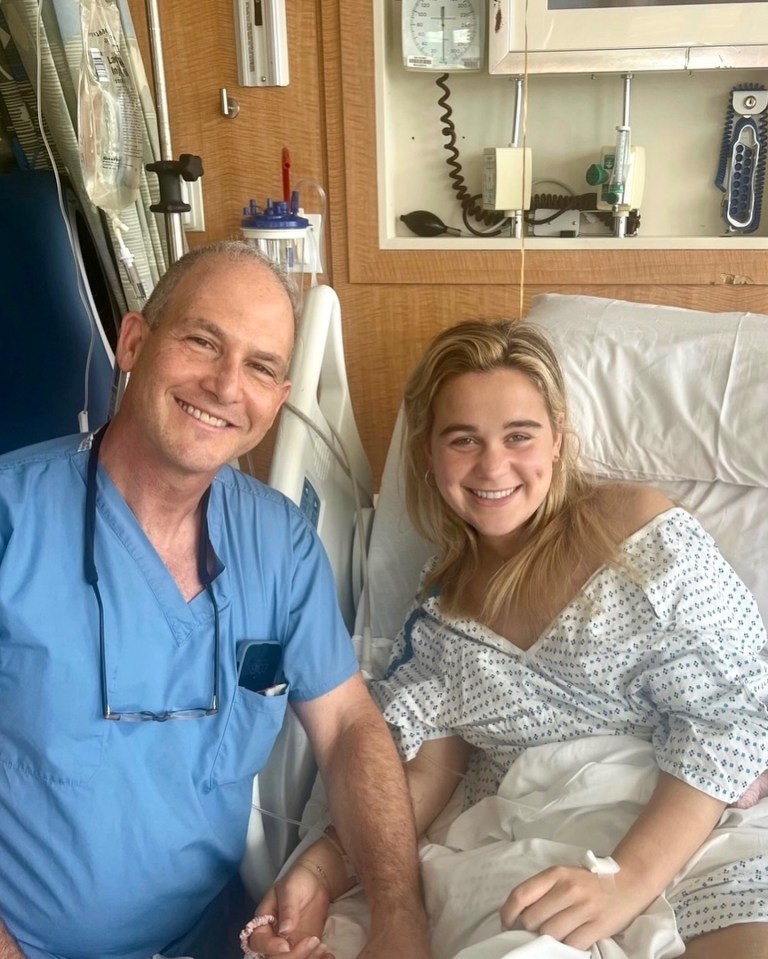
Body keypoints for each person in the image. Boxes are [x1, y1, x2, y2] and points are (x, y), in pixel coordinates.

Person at [249, 319, 768, 959]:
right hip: (536, 842)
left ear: (556, 438)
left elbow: (735, 714)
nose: (493, 466)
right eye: (463, 439)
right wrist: (321, 870)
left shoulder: (639, 534)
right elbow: (428, 772)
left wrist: (626, 883)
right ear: (428, 454)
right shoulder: (441, 616)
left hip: (696, 821)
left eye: (518, 435)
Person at [0, 241, 431, 959]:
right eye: (203, 341)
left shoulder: (280, 543)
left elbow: (350, 726)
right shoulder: (13, 520)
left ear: (278, 402)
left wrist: (399, 915)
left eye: (260, 366)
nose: (227, 385)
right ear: (133, 341)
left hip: (210, 937)